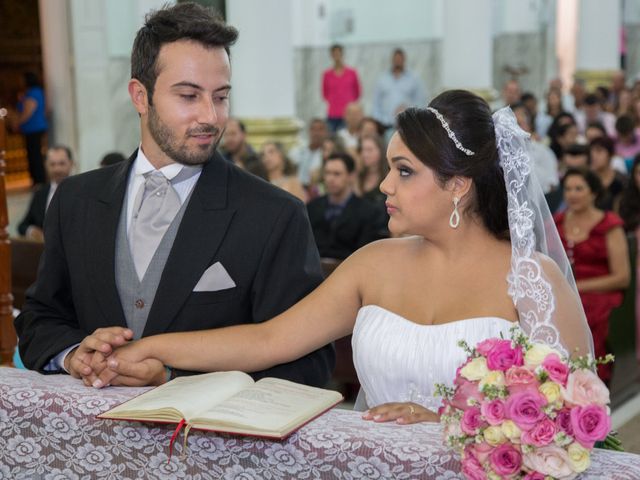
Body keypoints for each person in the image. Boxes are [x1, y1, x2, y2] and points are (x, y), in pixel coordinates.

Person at [92, 90, 593, 426]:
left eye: (404, 171)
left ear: (457, 186)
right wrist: (150, 347)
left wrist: (452, 422)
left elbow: (576, 414)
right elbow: (268, 340)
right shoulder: (373, 264)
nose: (383, 185)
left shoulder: (531, 281)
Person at [14, 2, 334, 389]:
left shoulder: (274, 215)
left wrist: (173, 375)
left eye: (220, 97)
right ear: (139, 96)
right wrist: (73, 354)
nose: (211, 117)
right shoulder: (76, 200)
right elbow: (40, 319)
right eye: (188, 96)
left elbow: (308, 367)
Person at [554, 167, 630, 382]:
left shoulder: (609, 224)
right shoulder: (556, 222)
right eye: (568, 189)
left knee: (588, 313)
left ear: (594, 192)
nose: (572, 194)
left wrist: (577, 288)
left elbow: (622, 276)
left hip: (599, 293)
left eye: (579, 188)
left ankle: (591, 380)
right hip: (564, 293)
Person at [307, 153, 386, 260]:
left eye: (337, 174)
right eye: (327, 173)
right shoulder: (312, 207)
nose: (330, 179)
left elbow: (365, 255)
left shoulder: (368, 212)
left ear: (351, 176)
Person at [18, 145, 74, 241]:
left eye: (61, 164)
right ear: (46, 165)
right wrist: (32, 231)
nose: (57, 169)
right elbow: (22, 226)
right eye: (52, 164)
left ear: (71, 164)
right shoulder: (40, 193)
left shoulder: (82, 192)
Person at [371, 48, 427, 132]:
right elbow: (376, 102)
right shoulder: (382, 79)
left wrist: (408, 111)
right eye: (396, 59)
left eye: (400, 59)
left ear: (404, 60)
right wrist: (379, 121)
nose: (398, 61)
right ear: (392, 60)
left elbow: (421, 102)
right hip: (386, 125)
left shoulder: (414, 79)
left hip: (408, 125)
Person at [16, 72, 49, 185]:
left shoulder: (33, 93)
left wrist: (18, 122)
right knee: (34, 155)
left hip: (34, 129)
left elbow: (28, 111)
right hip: (34, 128)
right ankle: (38, 180)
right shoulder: (34, 92)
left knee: (35, 156)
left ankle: (39, 181)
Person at [321, 44, 361, 133]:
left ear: (342, 54)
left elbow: (357, 93)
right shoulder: (327, 74)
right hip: (332, 114)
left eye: (338, 54)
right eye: (334, 54)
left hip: (348, 115)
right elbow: (325, 94)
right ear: (331, 56)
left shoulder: (352, 73)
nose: (337, 57)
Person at [588, 136, 627, 211]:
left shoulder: (622, 180)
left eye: (599, 151)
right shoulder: (586, 179)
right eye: (591, 152)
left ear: (610, 155)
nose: (593, 156)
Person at [289, 118, 329, 188]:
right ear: (309, 131)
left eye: (320, 129)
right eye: (313, 129)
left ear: (326, 132)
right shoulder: (298, 150)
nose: (316, 133)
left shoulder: (327, 153)